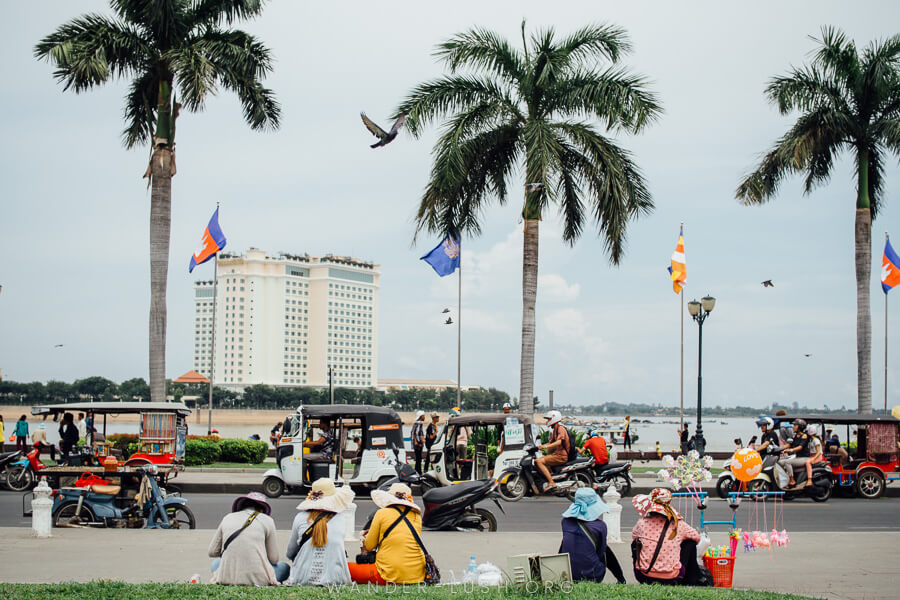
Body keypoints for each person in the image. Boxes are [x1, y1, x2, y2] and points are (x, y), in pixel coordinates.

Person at [208, 492, 289, 585]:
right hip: (259, 580)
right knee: (284, 567)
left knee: (215, 564)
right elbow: (274, 559)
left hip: (226, 577)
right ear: (262, 509)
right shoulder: (268, 521)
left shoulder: (227, 518)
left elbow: (212, 551)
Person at [286, 478, 355, 586]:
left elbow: (290, 553)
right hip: (336, 578)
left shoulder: (300, 518)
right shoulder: (341, 519)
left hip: (302, 578)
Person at [354, 483, 426, 585]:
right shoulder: (416, 517)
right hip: (417, 574)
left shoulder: (382, 513)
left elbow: (369, 545)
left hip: (389, 573)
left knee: (347, 569)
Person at [631, 488, 701, 585]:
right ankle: (691, 580)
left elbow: (634, 537)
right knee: (690, 543)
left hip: (644, 576)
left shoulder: (642, 522)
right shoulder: (679, 524)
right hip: (672, 577)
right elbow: (696, 537)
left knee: (636, 543)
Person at [559, 487, 624, 583]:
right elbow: (601, 552)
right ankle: (620, 578)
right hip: (593, 575)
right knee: (606, 551)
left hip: (568, 573)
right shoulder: (600, 526)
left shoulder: (565, 522)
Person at [536, 410, 570, 490]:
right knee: (542, 459)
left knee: (539, 461)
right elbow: (550, 442)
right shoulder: (556, 429)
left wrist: (546, 447)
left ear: (554, 418)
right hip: (557, 454)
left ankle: (551, 483)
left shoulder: (560, 428)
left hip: (561, 456)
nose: (547, 421)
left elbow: (559, 442)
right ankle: (551, 478)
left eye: (549, 419)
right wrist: (540, 446)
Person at [777, 419, 810, 489]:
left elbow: (800, 447)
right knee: (780, 462)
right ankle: (785, 479)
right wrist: (778, 449)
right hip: (797, 457)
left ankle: (792, 481)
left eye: (795, 425)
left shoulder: (804, 436)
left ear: (800, 427)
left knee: (787, 462)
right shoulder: (795, 436)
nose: (793, 427)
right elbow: (789, 445)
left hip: (804, 458)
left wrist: (791, 450)